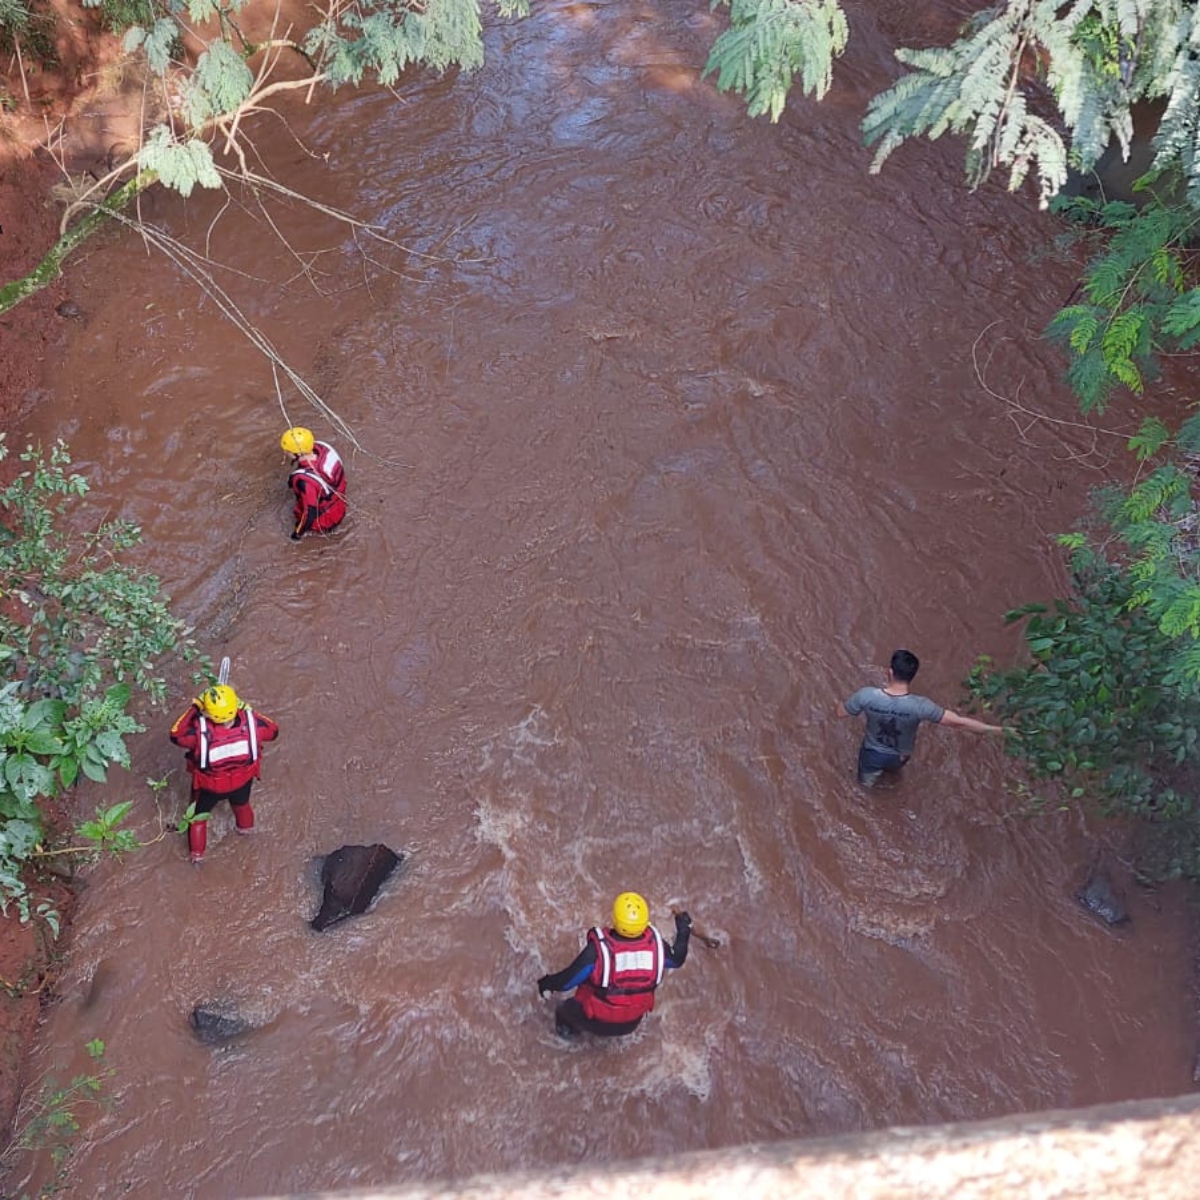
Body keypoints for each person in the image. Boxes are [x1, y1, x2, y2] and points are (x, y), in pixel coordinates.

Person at [836, 648, 1005, 787]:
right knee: (894, 774)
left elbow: (840, 713)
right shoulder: (921, 706)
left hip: (872, 754)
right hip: (901, 757)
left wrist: (840, 704)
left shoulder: (867, 696)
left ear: (889, 672)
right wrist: (999, 731)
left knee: (865, 788)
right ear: (912, 676)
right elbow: (958, 723)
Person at [537, 893, 691, 1038]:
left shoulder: (597, 952)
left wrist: (544, 983)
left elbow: (565, 983)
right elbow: (677, 959)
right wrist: (683, 931)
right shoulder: (658, 949)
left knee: (563, 1011)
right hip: (630, 1025)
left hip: (596, 1020)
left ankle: (566, 1037)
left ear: (615, 919)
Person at [168, 684, 280, 863]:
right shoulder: (253, 726)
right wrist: (247, 708)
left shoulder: (198, 734)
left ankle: (197, 857)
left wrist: (195, 706)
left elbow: (175, 734)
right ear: (235, 706)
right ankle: (247, 833)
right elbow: (273, 731)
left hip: (209, 787)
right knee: (242, 805)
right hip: (242, 782)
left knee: (198, 819)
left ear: (208, 713)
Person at [281, 426, 347, 540]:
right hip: (340, 506)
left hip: (326, 521)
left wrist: (297, 534)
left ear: (295, 454)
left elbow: (310, 512)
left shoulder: (305, 482)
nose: (285, 453)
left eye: (287, 451)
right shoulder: (322, 449)